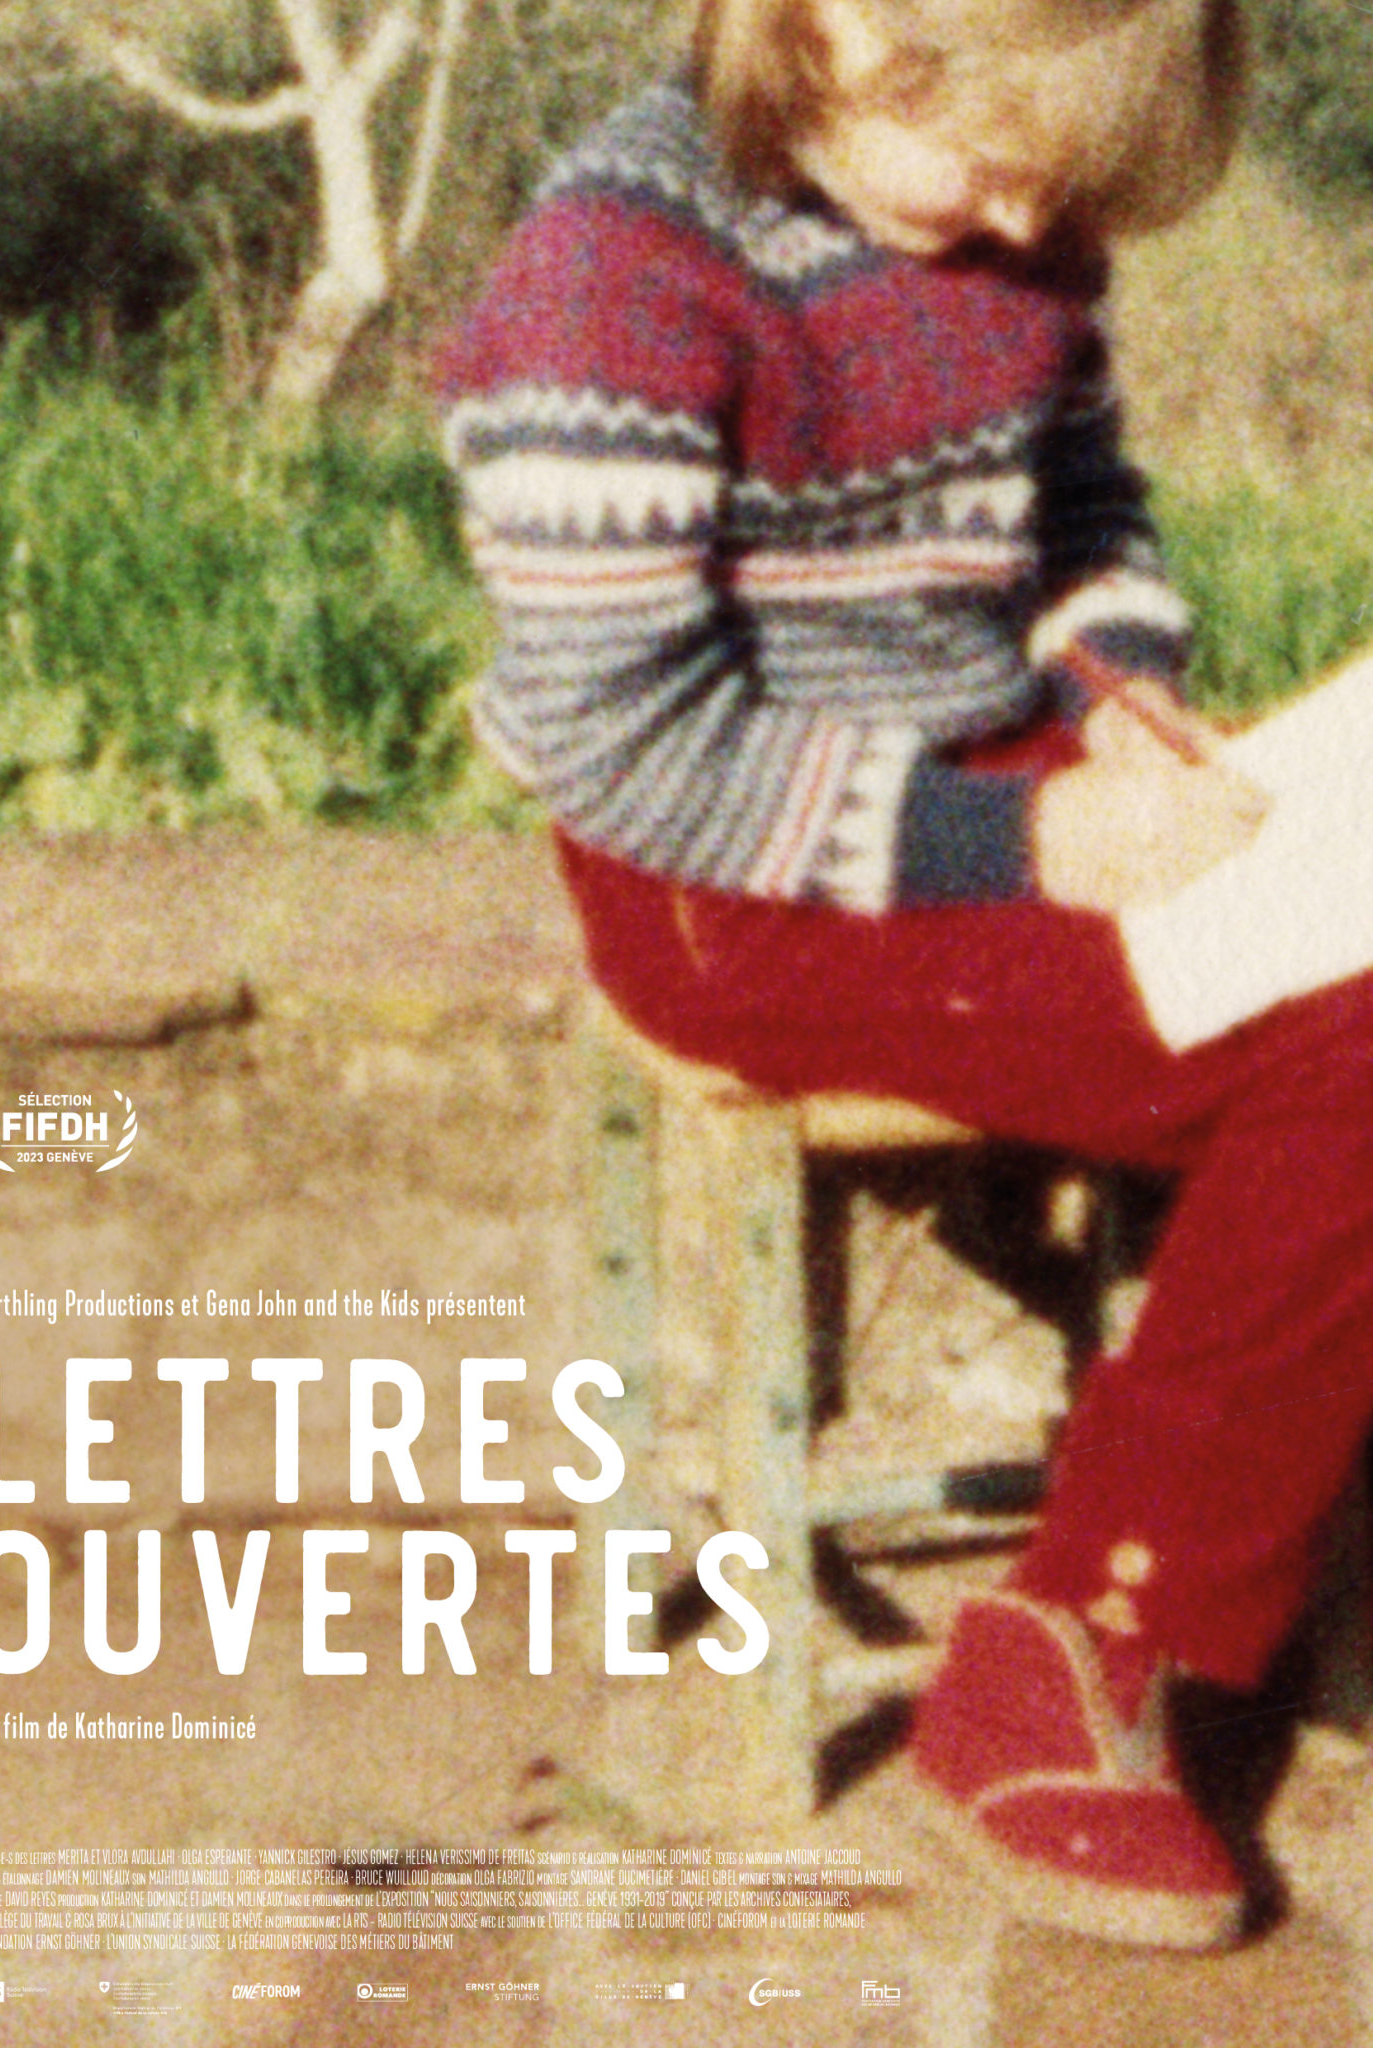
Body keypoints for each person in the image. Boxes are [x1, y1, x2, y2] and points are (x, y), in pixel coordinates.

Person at [437, 0, 1373, 1953]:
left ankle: (1231, 1516)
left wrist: (1119, 692)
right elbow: (626, 747)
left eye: (1063, 179)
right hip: (735, 878)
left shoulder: (1008, 215)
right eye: (1001, 162)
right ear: (842, 31)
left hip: (986, 780)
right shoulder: (616, 282)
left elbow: (1078, 510)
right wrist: (1028, 848)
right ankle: (1084, 1637)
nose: (1032, 219)